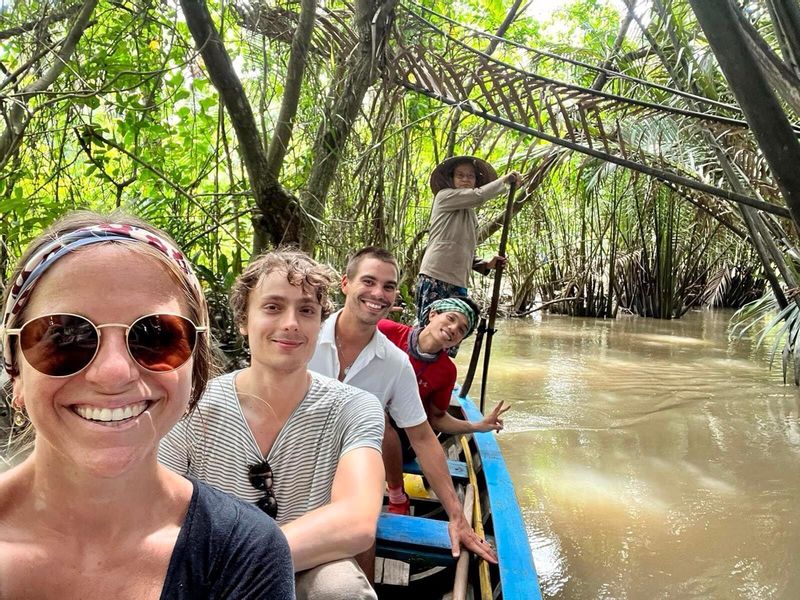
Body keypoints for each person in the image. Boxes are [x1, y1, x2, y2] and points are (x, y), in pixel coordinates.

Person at [0, 212, 294, 599]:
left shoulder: (243, 554)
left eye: (154, 336)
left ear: (194, 367)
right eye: (65, 336)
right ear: (15, 371)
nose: (113, 373)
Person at [159, 249, 385, 600]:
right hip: (204, 568)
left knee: (340, 589)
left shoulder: (354, 407)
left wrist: (241, 565)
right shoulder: (192, 405)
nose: (291, 323)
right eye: (273, 307)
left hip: (303, 564)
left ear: (319, 324)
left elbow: (356, 519)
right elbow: (153, 510)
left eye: (307, 310)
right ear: (243, 321)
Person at [308, 247, 498, 564]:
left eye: (388, 287)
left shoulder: (404, 365)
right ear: (345, 284)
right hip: (296, 463)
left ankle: (394, 494)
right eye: (368, 282)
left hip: (362, 456)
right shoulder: (304, 334)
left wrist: (456, 515)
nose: (378, 294)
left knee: (358, 554)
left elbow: (426, 433)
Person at [377, 297, 510, 500]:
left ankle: (395, 494)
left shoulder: (446, 371)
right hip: (360, 420)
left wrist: (477, 425)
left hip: (404, 438)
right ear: (432, 314)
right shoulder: (385, 330)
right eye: (451, 318)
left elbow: (437, 418)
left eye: (462, 330)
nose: (454, 328)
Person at [417, 156, 522, 327]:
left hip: (459, 281)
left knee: (452, 333)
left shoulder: (471, 214)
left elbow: (464, 249)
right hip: (436, 275)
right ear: (452, 179)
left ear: (475, 180)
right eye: (460, 175)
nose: (465, 179)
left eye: (470, 176)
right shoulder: (445, 196)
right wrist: (504, 182)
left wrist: (486, 264)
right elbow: (478, 195)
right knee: (429, 330)